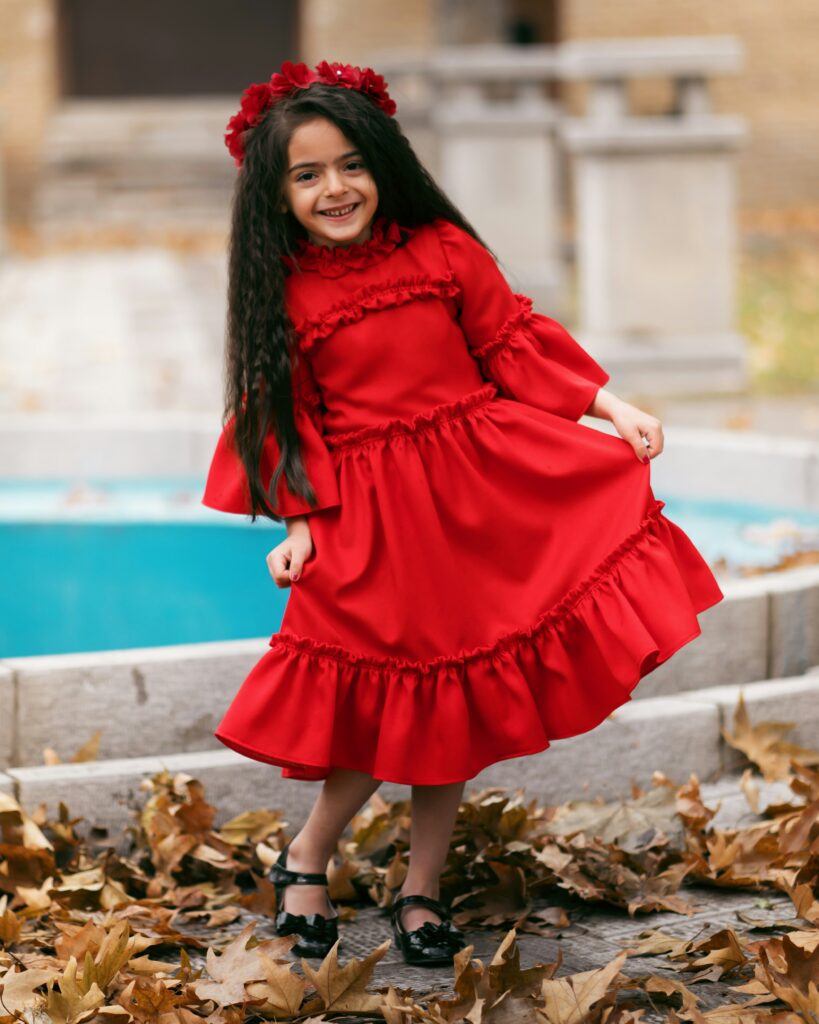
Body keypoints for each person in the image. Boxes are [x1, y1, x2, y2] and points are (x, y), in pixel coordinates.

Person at [201, 60, 725, 966]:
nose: (336, 188)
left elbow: (511, 341)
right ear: (274, 193)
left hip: (476, 493)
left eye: (350, 164)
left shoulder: (441, 250)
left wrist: (607, 407)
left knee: (450, 702)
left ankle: (421, 890)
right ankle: (306, 856)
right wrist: (299, 525)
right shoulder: (285, 293)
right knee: (380, 704)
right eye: (307, 174)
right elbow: (288, 417)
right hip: (371, 522)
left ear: (383, 161)